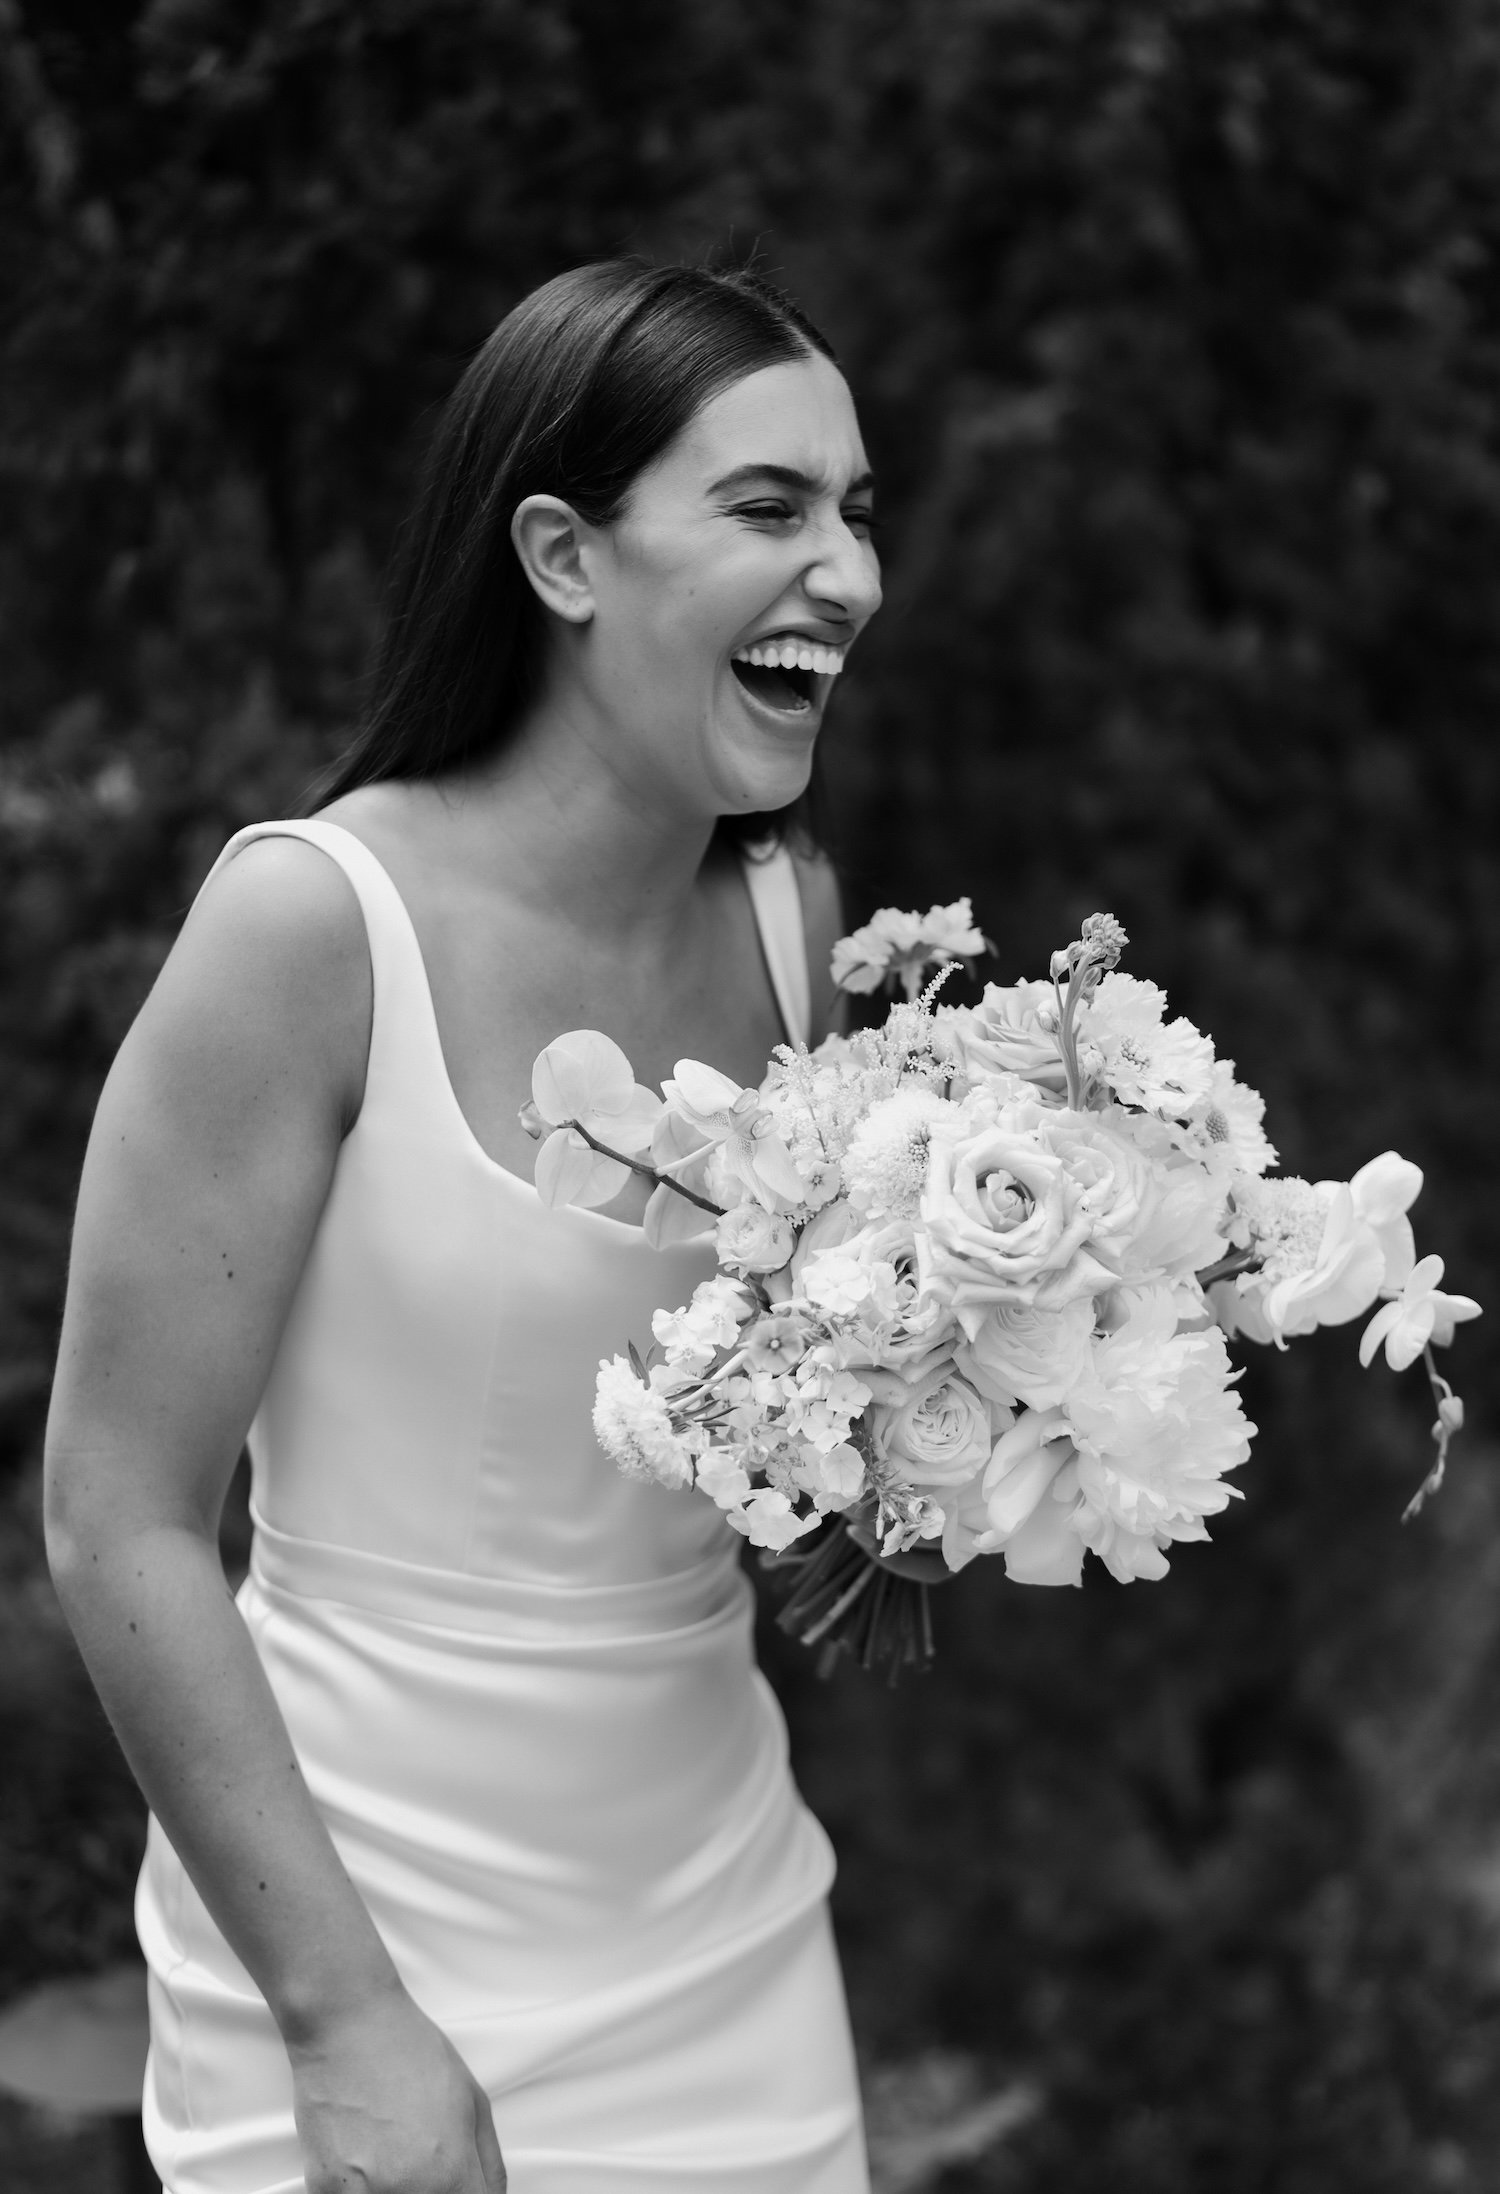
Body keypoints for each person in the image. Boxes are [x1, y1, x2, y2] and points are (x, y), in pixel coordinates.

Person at [42, 258, 883, 2194]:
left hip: (718, 1929)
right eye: (770, 508)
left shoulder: (796, 924)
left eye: (857, 510)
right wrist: (344, 2025)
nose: (845, 570)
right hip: (351, 1929)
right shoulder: (309, 932)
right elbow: (116, 1515)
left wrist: (974, 1424)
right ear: (563, 558)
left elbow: (715, 1450)